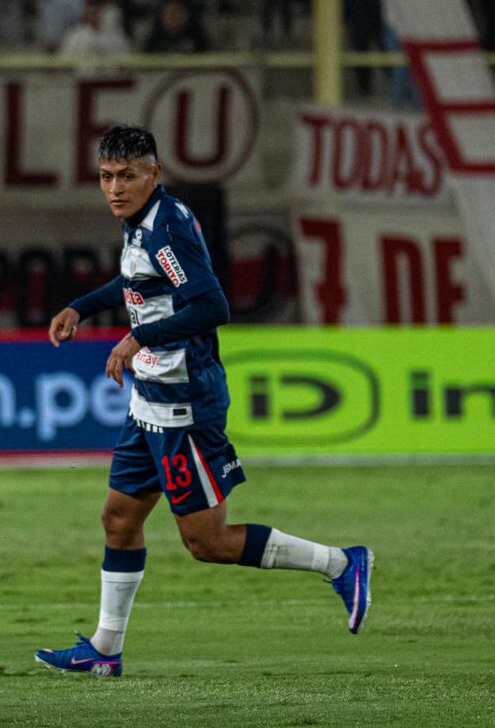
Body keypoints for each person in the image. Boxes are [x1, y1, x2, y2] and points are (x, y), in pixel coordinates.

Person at [34, 125, 372, 678]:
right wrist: (83, 306)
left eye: (128, 176)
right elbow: (139, 284)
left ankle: (340, 563)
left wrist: (138, 337)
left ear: (156, 174)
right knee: (119, 520)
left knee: (206, 542)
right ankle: (104, 648)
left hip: (185, 405)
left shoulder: (167, 230)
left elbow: (212, 303)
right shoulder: (143, 225)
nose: (115, 188)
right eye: (106, 177)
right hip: (149, 400)